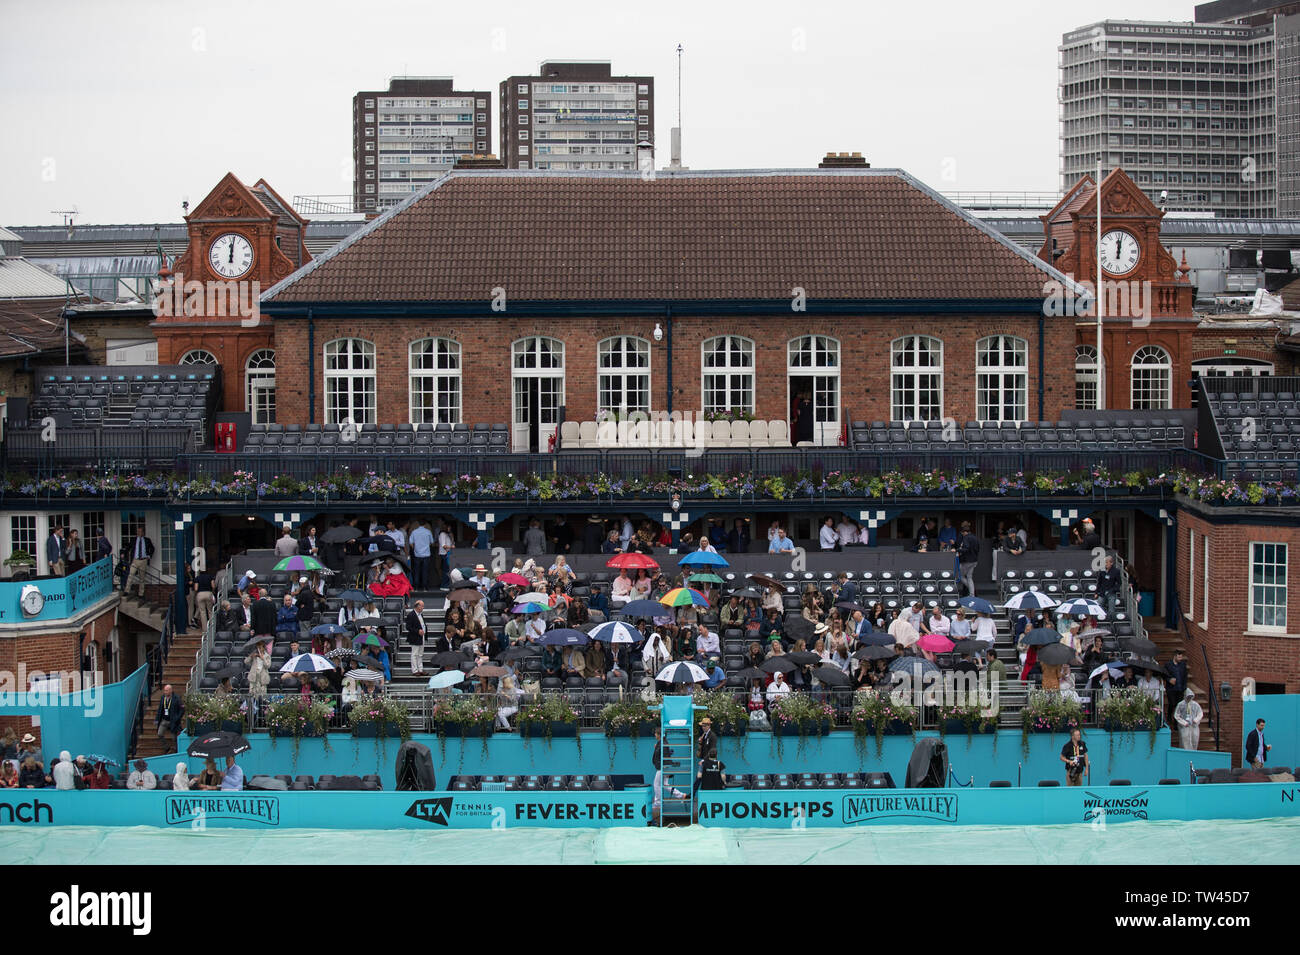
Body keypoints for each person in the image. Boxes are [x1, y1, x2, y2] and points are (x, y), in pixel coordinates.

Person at [125, 526, 155, 597]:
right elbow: (128, 548)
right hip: (135, 560)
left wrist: (149, 556)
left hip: (143, 560)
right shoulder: (133, 540)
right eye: (137, 531)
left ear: (143, 532)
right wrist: (124, 555)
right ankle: (126, 590)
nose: (138, 533)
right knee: (130, 575)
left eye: (140, 531)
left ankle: (141, 593)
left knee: (142, 578)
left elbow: (152, 548)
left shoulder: (147, 540)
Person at [957, 521, 980, 598]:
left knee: (960, 576)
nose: (962, 534)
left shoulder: (966, 538)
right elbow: (978, 549)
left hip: (967, 561)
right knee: (969, 577)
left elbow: (966, 549)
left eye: (962, 533)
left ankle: (972, 590)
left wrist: (958, 550)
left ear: (964, 532)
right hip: (974, 560)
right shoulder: (975, 537)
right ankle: (972, 594)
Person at [406, 600, 427, 675]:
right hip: (415, 637)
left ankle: (420, 669)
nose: (423, 607)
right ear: (418, 606)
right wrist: (417, 631)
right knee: (415, 654)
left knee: (420, 654)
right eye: (422, 606)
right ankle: (415, 670)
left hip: (422, 636)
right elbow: (408, 627)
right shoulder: (411, 615)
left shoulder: (420, 614)